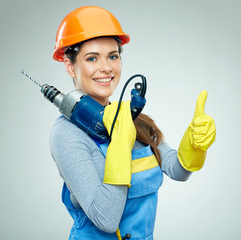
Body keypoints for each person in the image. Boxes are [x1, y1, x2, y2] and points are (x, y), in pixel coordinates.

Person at [50, 6, 216, 240]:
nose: (106, 67)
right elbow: (106, 220)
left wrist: (195, 146)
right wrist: (119, 146)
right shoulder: (66, 134)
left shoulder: (131, 118)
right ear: (69, 65)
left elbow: (177, 170)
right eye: (91, 58)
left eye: (113, 56)